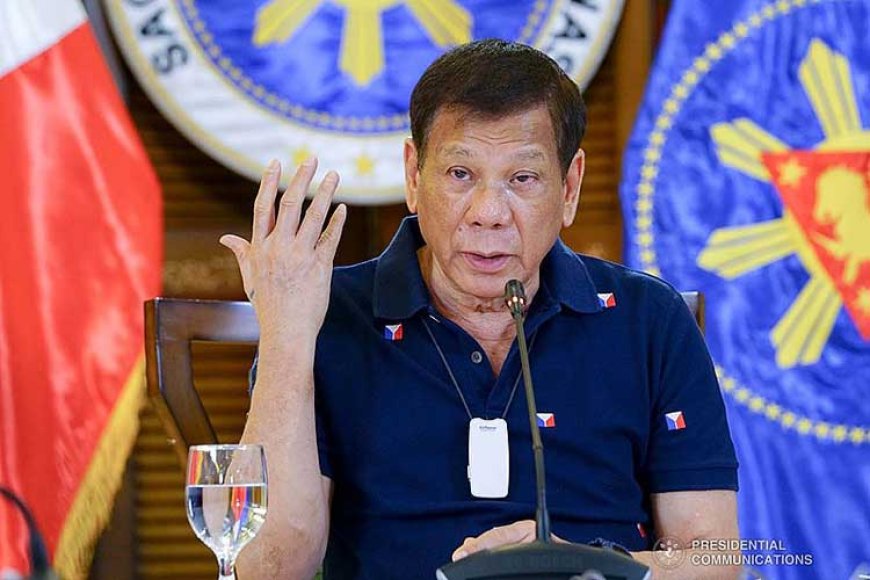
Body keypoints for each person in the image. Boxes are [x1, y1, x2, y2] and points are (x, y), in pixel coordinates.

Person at [220, 39, 740, 580]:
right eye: (460, 174)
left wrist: (580, 565)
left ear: (570, 186)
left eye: (522, 179)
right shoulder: (328, 315)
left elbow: (717, 562)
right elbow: (267, 570)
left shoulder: (647, 319)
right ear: (414, 175)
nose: (488, 214)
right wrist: (285, 337)